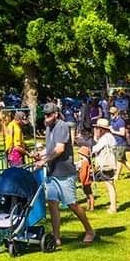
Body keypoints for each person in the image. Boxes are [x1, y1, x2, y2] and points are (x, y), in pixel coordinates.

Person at [37, 102, 96, 247]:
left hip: (64, 173)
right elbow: (51, 147)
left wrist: (44, 160)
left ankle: (89, 230)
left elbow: (60, 149)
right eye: (44, 115)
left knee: (72, 205)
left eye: (49, 115)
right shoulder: (49, 127)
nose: (46, 117)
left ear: (56, 114)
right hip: (52, 172)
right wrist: (41, 153)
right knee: (52, 204)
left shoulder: (62, 126)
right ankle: (57, 238)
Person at [91, 118, 118, 213]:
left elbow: (94, 149)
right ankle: (113, 206)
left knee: (109, 186)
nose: (96, 130)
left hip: (106, 164)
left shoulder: (105, 138)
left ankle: (113, 207)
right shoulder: (110, 137)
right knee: (111, 185)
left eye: (97, 128)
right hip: (111, 163)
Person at [109, 107, 130, 179]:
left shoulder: (120, 121)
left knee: (119, 160)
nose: (111, 115)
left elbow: (122, 133)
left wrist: (113, 131)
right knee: (124, 160)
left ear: (116, 113)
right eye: (110, 114)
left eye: (112, 114)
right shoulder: (112, 121)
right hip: (115, 142)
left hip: (120, 143)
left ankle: (116, 176)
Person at [75, 124, 97, 211]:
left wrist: (82, 180)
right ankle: (88, 205)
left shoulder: (85, 162)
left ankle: (91, 206)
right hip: (84, 181)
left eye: (80, 154)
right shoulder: (83, 161)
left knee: (89, 194)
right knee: (87, 194)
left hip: (86, 180)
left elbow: (84, 173)